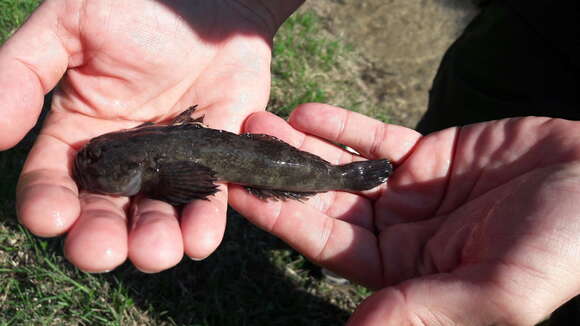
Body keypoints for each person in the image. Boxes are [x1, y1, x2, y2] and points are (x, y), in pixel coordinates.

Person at [1, 0, 577, 325]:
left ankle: (354, 187)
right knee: (465, 117)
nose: (93, 158)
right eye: (99, 159)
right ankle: (402, 194)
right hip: (539, 35)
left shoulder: (156, 157)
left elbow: (187, 176)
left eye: (100, 161)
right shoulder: (150, 144)